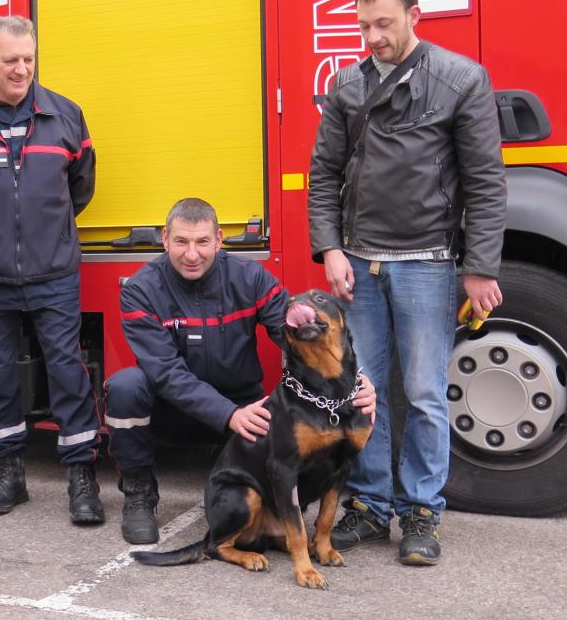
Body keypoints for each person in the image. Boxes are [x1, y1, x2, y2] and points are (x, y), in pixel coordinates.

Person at [307, 0, 506, 566]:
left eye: (384, 24)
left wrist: (479, 267)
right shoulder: (347, 87)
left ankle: (422, 509)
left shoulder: (461, 80)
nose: (372, 37)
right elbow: (324, 177)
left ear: (415, 17)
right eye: (364, 25)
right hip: (360, 265)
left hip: (428, 262)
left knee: (423, 394)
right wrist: (332, 248)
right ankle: (370, 503)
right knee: (365, 393)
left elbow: (485, 183)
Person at [106, 198, 377, 544]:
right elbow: (166, 374)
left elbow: (300, 331)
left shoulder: (249, 277)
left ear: (219, 240)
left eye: (203, 242)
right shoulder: (141, 291)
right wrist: (228, 415)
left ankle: (280, 507)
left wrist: (356, 382)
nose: (192, 254)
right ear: (164, 239)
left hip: (244, 410)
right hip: (175, 412)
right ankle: (139, 494)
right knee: (125, 386)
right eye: (181, 242)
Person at [0, 15, 103, 525]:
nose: (21, 69)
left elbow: (81, 188)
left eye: (28, 59)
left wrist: (42, 233)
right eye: (10, 60)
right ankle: (9, 474)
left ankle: (81, 477)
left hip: (53, 271)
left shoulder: (67, 116)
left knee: (67, 372)